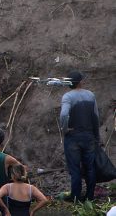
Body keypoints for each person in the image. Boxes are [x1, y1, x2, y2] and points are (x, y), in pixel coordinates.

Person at [60, 70, 99, 202]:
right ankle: (89, 197)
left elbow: (64, 115)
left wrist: (65, 129)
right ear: (80, 82)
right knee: (90, 167)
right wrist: (96, 136)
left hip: (73, 137)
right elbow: (95, 117)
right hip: (89, 136)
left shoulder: (68, 97)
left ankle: (76, 197)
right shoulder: (90, 95)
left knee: (75, 169)